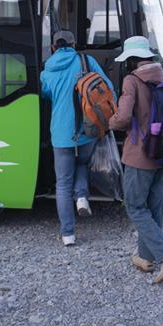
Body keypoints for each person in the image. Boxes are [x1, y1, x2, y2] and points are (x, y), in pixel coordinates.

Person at [109, 36, 163, 285]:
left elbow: (123, 118)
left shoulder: (131, 80)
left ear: (131, 60)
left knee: (134, 206)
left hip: (140, 155)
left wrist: (110, 122)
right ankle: (146, 257)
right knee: (154, 208)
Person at [40, 30, 115, 246]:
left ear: (53, 47)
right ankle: (82, 196)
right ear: (74, 44)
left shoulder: (47, 70)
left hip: (61, 133)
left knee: (63, 184)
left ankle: (68, 235)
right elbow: (108, 88)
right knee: (82, 162)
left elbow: (45, 94)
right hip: (87, 128)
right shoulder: (86, 61)